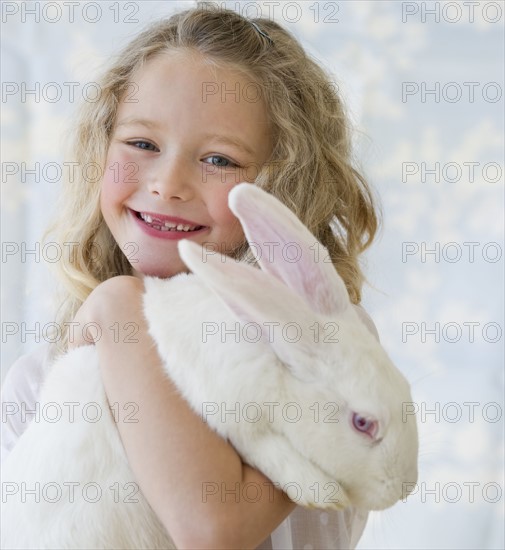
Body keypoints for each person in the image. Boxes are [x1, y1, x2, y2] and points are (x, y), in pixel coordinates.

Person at [1, 3, 381, 548]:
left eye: (221, 160)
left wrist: (117, 305)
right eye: (142, 144)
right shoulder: (38, 382)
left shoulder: (316, 344)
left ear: (283, 188)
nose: (167, 183)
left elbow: (214, 528)